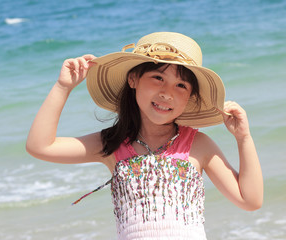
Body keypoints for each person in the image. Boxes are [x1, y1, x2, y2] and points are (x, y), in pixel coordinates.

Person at [26, 32, 263, 239]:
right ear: (133, 79)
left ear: (190, 97)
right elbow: (40, 146)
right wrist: (62, 87)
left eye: (181, 86)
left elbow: (250, 200)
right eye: (158, 78)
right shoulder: (112, 144)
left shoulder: (197, 145)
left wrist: (244, 139)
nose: (167, 93)